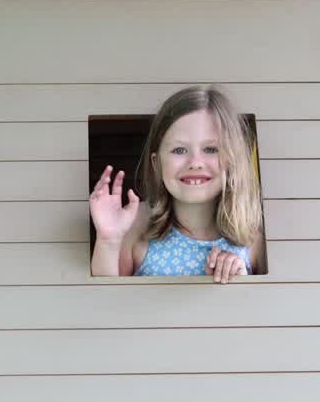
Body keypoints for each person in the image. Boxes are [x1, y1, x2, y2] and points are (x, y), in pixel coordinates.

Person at [90, 85, 264, 282]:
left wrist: (242, 283)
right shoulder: (136, 223)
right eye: (179, 150)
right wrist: (108, 240)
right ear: (157, 163)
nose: (195, 163)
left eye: (211, 149)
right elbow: (106, 301)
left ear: (234, 159)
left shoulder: (253, 235)